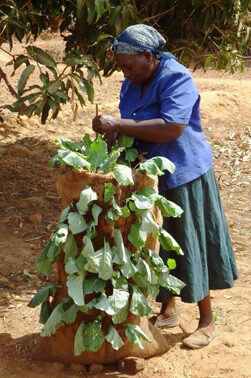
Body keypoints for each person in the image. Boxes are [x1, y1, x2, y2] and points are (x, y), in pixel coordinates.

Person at [92, 24, 239, 349]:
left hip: (183, 173)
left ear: (149, 56)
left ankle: (207, 321)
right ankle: (168, 309)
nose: (125, 73)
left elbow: (172, 127)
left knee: (190, 243)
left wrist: (118, 123)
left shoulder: (176, 77)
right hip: (149, 172)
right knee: (158, 243)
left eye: (129, 66)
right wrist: (116, 134)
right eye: (121, 68)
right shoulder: (133, 80)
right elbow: (132, 119)